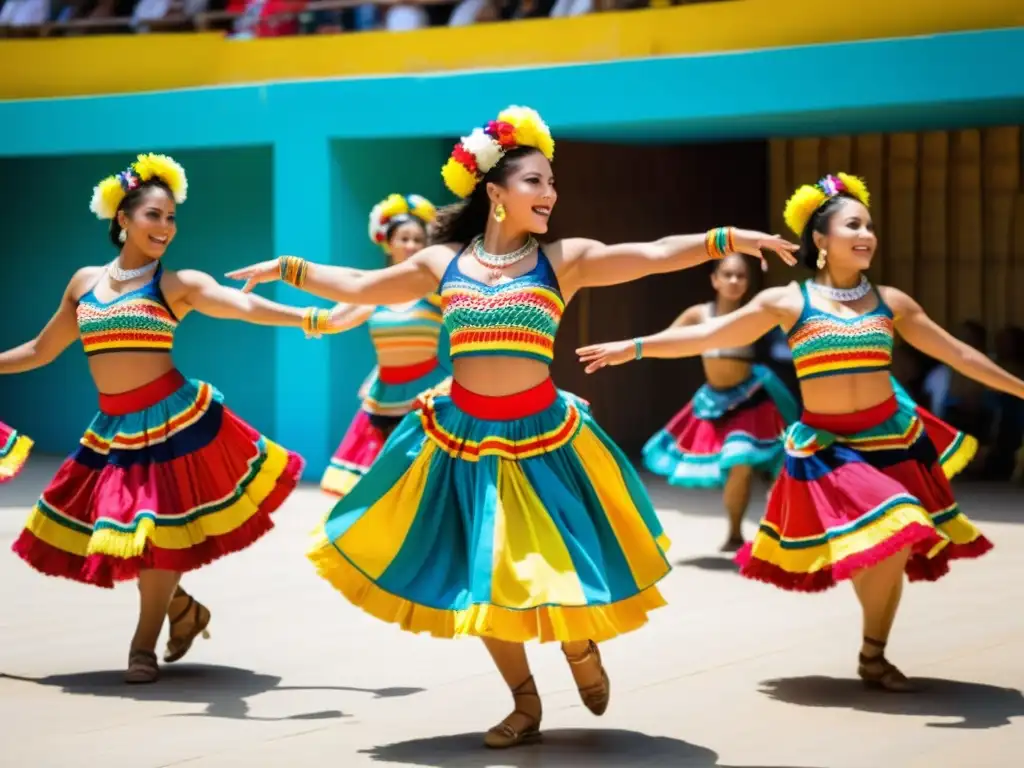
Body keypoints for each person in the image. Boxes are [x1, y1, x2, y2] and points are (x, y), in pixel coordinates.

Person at [225, 105, 797, 747]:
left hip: (543, 437)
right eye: (535, 181)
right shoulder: (442, 263)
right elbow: (363, 285)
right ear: (496, 193)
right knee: (483, 578)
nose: (550, 193)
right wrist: (290, 269)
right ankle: (524, 703)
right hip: (461, 440)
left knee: (552, 567)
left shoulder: (565, 259)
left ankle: (580, 649)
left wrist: (725, 239)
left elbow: (653, 255)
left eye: (552, 182)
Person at [576, 172, 1021, 691]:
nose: (867, 234)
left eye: (870, 225)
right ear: (821, 240)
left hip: (891, 442)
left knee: (889, 550)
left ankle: (873, 653)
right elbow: (709, 333)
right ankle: (874, 653)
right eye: (853, 224)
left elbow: (961, 354)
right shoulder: (788, 302)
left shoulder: (892, 302)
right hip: (831, 450)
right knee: (896, 525)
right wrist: (635, 346)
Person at [1, 153, 347, 684]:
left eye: (170, 217)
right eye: (153, 216)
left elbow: (241, 305)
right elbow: (41, 350)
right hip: (113, 430)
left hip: (170, 423)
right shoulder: (83, 283)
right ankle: (183, 609)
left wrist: (311, 319)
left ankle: (143, 646)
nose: (165, 227)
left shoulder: (175, 283)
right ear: (122, 219)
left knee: (154, 532)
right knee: (132, 538)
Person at [642, 253, 798, 551]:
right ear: (714, 280)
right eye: (727, 274)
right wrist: (628, 350)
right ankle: (737, 531)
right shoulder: (699, 314)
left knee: (740, 460)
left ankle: (744, 531)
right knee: (736, 464)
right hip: (713, 402)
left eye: (741, 276)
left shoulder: (756, 313)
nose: (734, 280)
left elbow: (787, 342)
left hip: (753, 398)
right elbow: (664, 341)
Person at [320, 194, 452, 497]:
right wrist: (303, 318)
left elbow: (469, 317)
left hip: (429, 396)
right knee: (378, 490)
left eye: (419, 240)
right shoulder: (373, 292)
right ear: (388, 243)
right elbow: (335, 318)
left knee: (427, 484)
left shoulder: (436, 292)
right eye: (404, 238)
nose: (411, 246)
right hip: (384, 396)